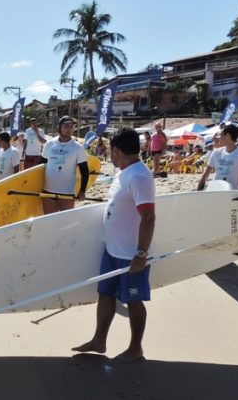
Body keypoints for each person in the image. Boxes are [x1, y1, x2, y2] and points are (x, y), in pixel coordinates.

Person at [73, 127, 155, 364]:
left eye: (110, 149)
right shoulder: (124, 172)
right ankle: (99, 340)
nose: (109, 153)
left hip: (131, 253)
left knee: (133, 300)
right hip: (112, 249)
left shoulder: (139, 176)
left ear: (116, 150)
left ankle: (135, 348)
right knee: (105, 294)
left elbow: (149, 217)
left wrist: (141, 253)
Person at [41, 116, 89, 214]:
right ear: (59, 127)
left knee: (65, 225)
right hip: (48, 191)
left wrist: (82, 191)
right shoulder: (49, 144)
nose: (69, 129)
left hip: (67, 192)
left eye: (71, 126)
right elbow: (41, 165)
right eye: (66, 126)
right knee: (48, 222)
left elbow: (85, 171)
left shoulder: (78, 148)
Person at [197, 124, 238, 191]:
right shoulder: (216, 152)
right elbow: (205, 175)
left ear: (227, 136)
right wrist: (198, 191)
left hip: (231, 193)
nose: (218, 138)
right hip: (216, 190)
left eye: (220, 135)